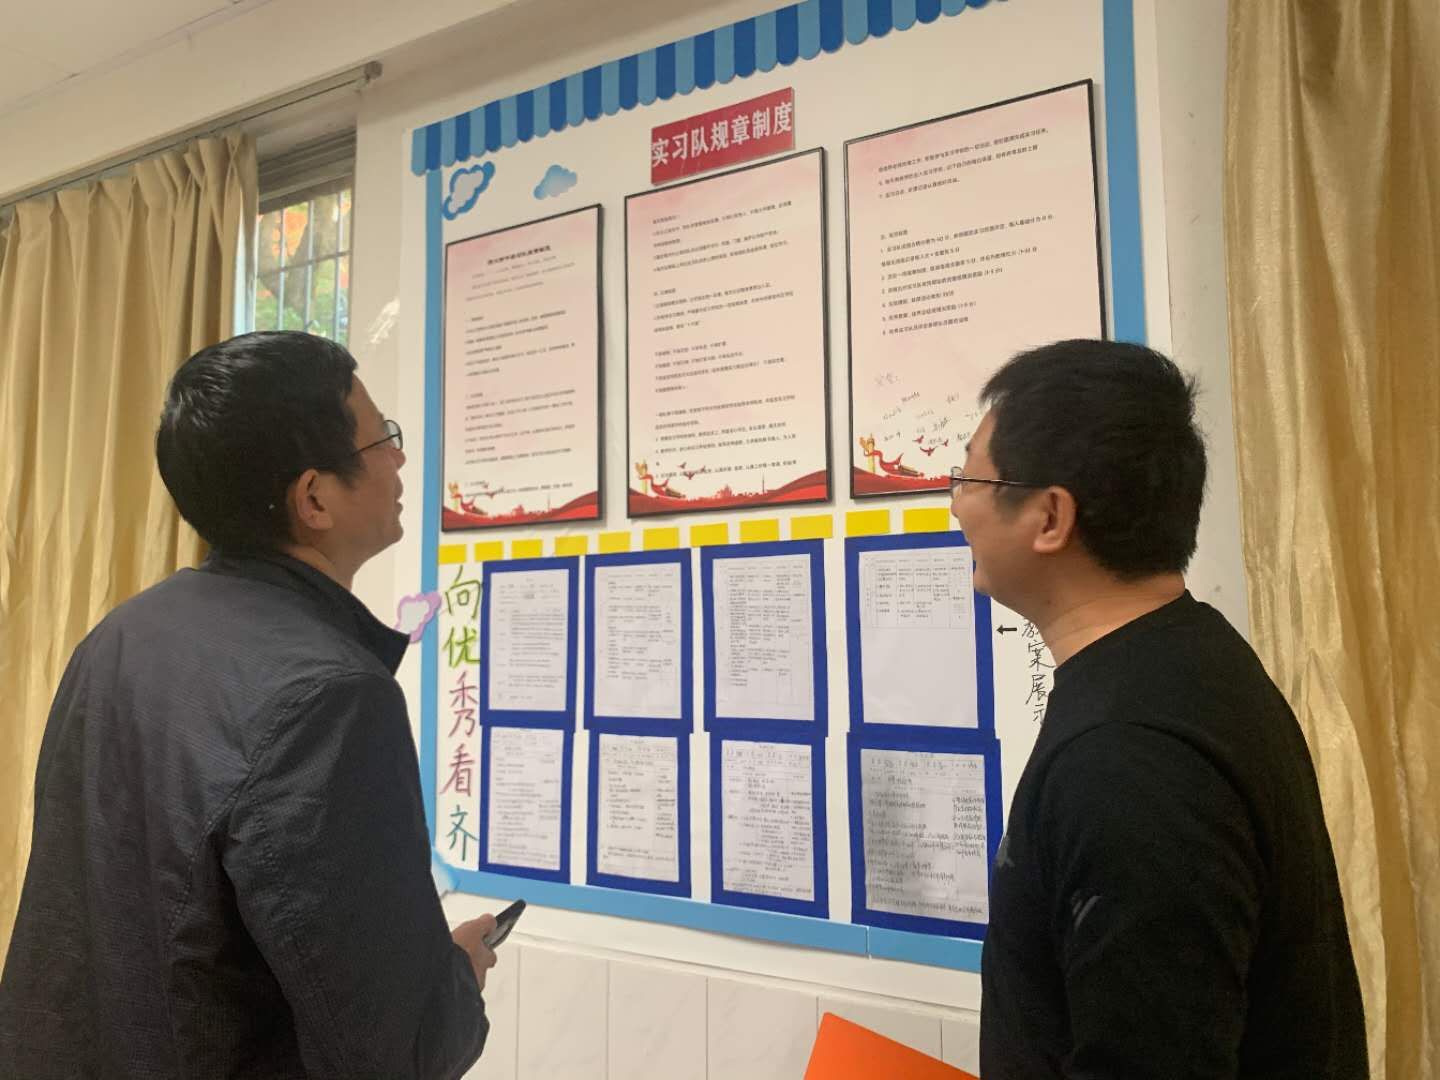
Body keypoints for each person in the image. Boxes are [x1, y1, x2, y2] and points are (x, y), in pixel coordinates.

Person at [0, 332, 497, 1078]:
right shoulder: (330, 696)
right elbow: (393, 1052)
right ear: (314, 497)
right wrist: (456, 980)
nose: (399, 459)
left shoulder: (122, 635)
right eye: (381, 440)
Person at [951, 339, 1367, 1078]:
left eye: (971, 479)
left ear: (1050, 517)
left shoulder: (1128, 759)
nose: (957, 504)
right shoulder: (1190, 658)